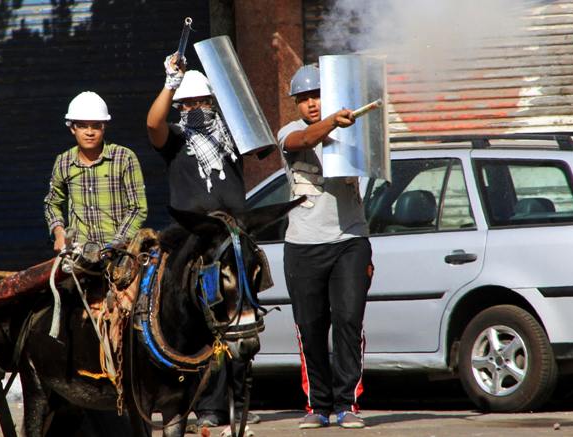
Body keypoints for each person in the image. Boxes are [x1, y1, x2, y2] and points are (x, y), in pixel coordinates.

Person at [146, 53, 259, 428]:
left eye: (202, 101)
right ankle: (205, 407)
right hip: (194, 242)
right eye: (187, 104)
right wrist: (170, 83)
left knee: (241, 319)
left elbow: (258, 129)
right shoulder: (176, 139)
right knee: (203, 323)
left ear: (213, 102)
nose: (195, 108)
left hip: (233, 239)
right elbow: (153, 122)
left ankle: (236, 400)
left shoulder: (234, 136)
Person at [276, 65, 373, 429]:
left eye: (317, 95)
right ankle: (318, 406)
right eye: (303, 99)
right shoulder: (289, 132)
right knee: (311, 326)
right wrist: (333, 121)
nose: (311, 104)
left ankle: (347, 403)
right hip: (302, 246)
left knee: (348, 320)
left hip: (349, 240)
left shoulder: (351, 129)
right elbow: (303, 141)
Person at [44, 91, 148, 251]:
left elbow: (138, 208)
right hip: (79, 254)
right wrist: (59, 233)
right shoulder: (63, 162)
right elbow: (52, 203)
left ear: (104, 127)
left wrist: (116, 243)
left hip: (120, 253)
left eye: (96, 125)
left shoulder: (124, 158)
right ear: (72, 128)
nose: (90, 132)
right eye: (82, 126)